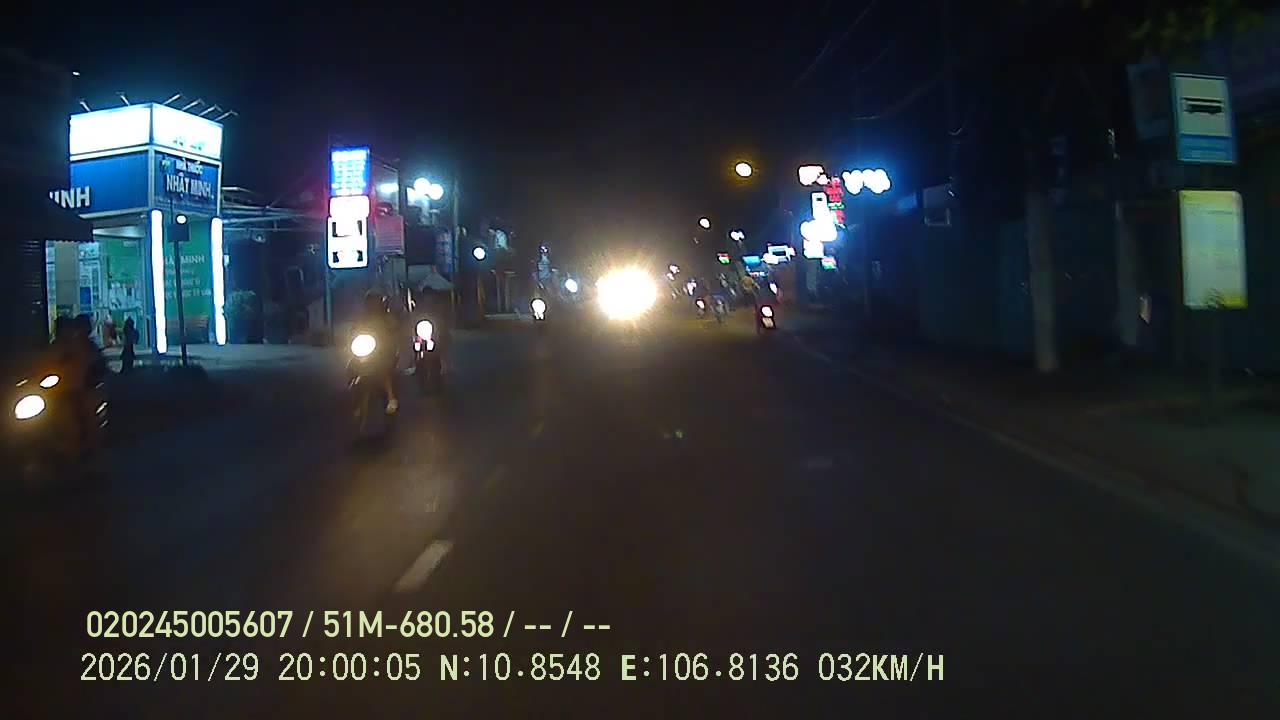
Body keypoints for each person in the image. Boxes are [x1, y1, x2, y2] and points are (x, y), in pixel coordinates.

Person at [359, 291, 400, 414]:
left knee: (383, 370)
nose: (373, 305)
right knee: (352, 366)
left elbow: (395, 329)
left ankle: (391, 397)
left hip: (383, 352)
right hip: (367, 351)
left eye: (375, 302)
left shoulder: (387, 318)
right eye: (371, 302)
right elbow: (354, 331)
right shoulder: (363, 319)